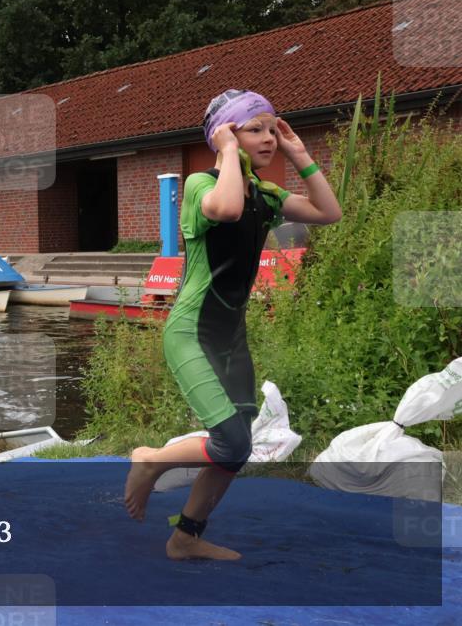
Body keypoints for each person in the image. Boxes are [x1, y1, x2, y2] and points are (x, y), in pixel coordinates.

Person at [123, 90, 342, 560]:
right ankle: (151, 460)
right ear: (225, 134)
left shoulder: (266, 195)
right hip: (192, 333)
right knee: (230, 440)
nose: (269, 138)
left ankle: (185, 537)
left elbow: (329, 213)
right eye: (254, 129)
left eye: (272, 129)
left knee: (237, 449)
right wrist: (224, 151)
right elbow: (226, 210)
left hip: (230, 338)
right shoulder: (201, 185)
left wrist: (300, 156)